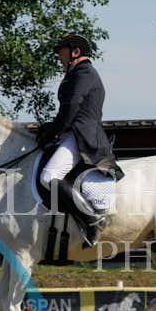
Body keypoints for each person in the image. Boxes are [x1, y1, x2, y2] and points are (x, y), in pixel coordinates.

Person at [37, 33, 124, 248]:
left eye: (62, 52)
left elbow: (71, 107)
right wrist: (49, 129)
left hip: (82, 135)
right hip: (74, 132)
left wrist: (52, 133)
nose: (59, 57)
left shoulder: (84, 72)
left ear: (75, 52)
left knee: (49, 176)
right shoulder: (76, 74)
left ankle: (92, 221)